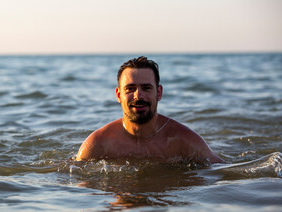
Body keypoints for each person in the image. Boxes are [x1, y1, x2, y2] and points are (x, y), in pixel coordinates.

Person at [76, 56, 225, 164]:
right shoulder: (99, 144)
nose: (138, 95)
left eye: (146, 88)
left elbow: (221, 173)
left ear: (159, 93)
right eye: (130, 89)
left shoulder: (183, 141)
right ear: (119, 95)